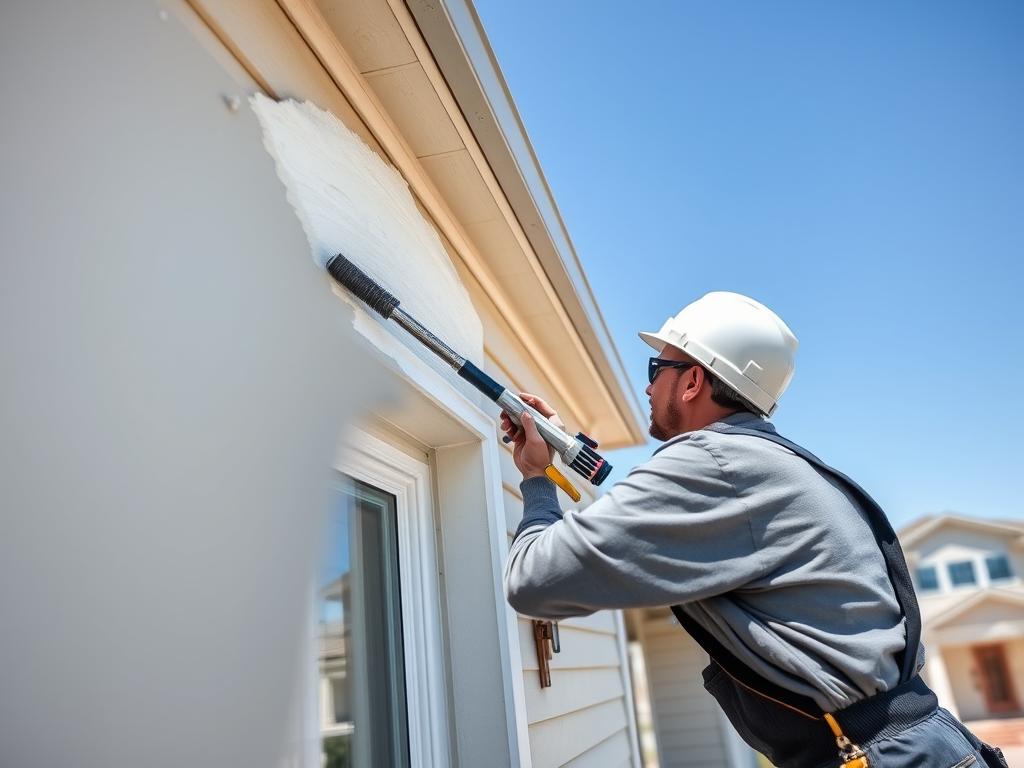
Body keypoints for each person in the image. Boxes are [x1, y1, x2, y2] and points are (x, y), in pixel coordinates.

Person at [501, 292, 1007, 768]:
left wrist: (536, 483)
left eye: (657, 369)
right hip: (921, 744)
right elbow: (640, 534)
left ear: (693, 380)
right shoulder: (765, 464)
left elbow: (535, 580)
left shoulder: (712, 464)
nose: (649, 386)